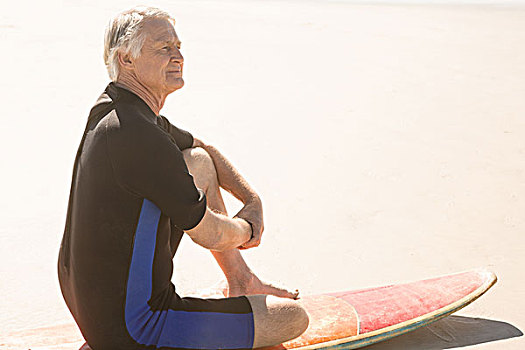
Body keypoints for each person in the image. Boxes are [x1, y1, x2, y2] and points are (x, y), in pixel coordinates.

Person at [57, 6, 309, 350]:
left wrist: (252, 201)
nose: (178, 56)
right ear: (126, 59)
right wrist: (249, 229)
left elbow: (204, 150)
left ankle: (241, 279)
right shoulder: (139, 137)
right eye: (164, 48)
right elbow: (209, 233)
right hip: (136, 329)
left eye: (178, 46)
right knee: (293, 317)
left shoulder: (117, 112)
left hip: (93, 309)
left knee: (198, 162)